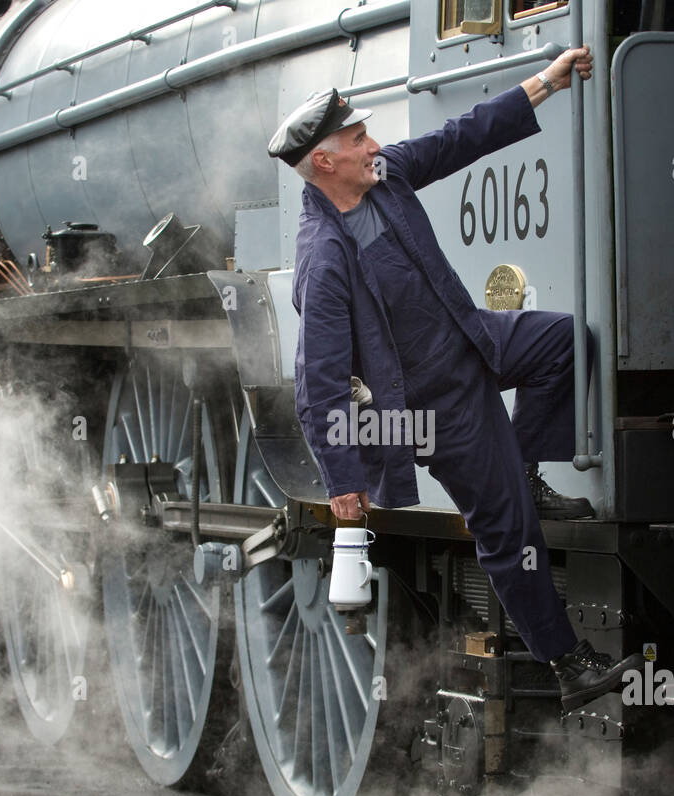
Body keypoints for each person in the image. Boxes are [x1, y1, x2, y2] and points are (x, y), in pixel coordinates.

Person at [267, 46, 640, 712]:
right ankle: (569, 665)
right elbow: (317, 386)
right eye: (357, 140)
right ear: (323, 162)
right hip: (433, 405)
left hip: (474, 338)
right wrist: (344, 484)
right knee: (509, 528)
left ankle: (523, 466)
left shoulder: (383, 176)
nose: (373, 144)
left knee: (566, 341)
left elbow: (456, 139)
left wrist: (541, 85)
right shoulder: (322, 261)